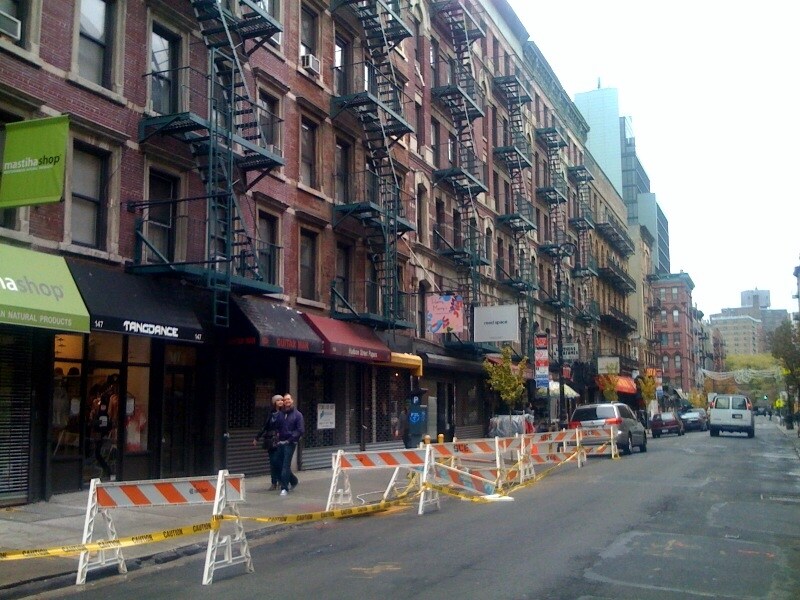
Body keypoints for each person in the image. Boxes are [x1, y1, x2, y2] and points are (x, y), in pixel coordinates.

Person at [252, 395, 284, 490]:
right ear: (274, 402)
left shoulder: (284, 413)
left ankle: (282, 481)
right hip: (270, 439)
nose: (280, 401)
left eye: (281, 400)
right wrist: (257, 438)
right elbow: (264, 426)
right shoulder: (270, 413)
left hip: (280, 439)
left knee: (279, 462)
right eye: (278, 400)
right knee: (272, 462)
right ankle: (274, 482)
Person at [276, 393, 303, 496]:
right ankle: (294, 480)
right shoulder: (281, 414)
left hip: (290, 443)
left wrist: (291, 439)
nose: (286, 401)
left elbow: (300, 430)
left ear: (292, 401)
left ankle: (284, 488)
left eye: (288, 399)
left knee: (285, 465)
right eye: (284, 400)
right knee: (279, 464)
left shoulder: (298, 415)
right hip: (280, 442)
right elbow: (277, 426)